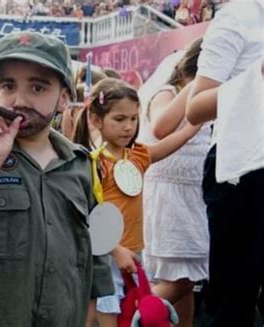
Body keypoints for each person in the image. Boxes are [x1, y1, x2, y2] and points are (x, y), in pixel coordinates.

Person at [0, 31, 114, 326]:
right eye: (8, 85)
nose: (20, 99)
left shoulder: (81, 165)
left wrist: (92, 310)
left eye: (38, 88)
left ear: (63, 99)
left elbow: (94, 246)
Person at [73, 78, 202, 327]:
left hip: (133, 249)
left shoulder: (138, 156)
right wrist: (116, 249)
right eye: (120, 119)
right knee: (104, 306)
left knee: (125, 308)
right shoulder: (94, 163)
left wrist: (191, 128)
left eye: (134, 119)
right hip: (107, 253)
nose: (128, 127)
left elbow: (165, 146)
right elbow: (89, 214)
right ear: (97, 120)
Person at [186, 1, 264, 325]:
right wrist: (256, 77)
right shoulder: (239, 17)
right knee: (232, 304)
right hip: (244, 173)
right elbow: (195, 107)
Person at [140, 37, 210, 326]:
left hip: (193, 196)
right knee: (181, 280)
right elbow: (160, 126)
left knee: (188, 280)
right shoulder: (166, 92)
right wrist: (202, 81)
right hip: (169, 197)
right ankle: (136, 316)